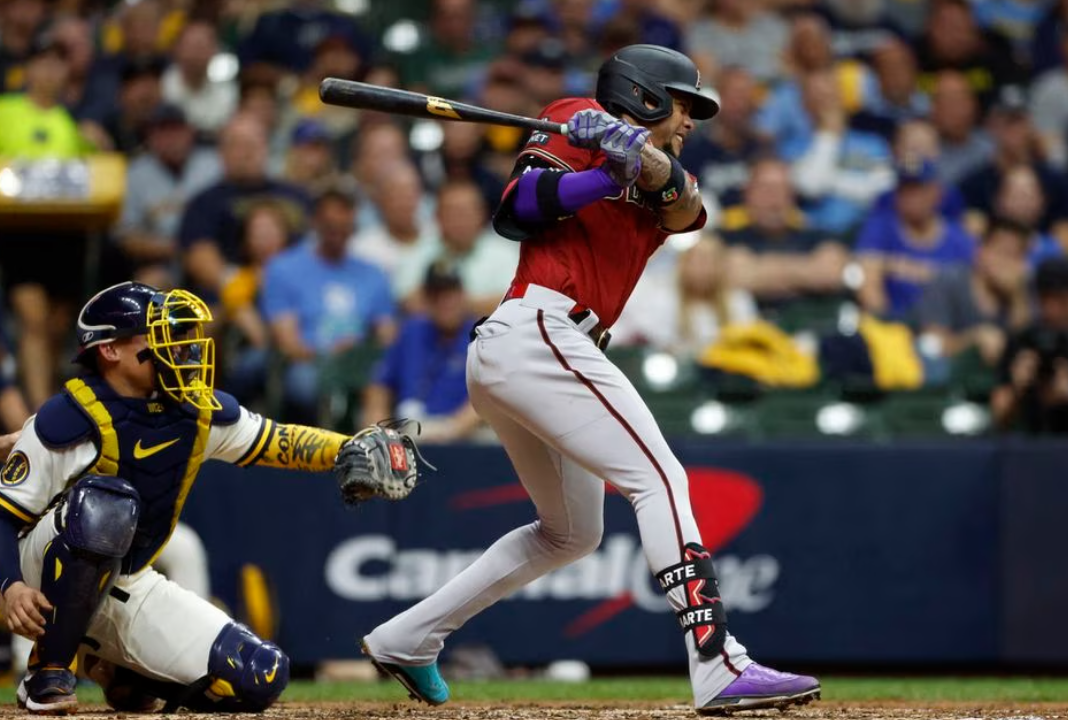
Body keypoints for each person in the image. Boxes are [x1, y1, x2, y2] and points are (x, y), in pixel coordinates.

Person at [361, 44, 821, 715]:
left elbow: (684, 208)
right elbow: (518, 209)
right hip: (538, 330)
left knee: (570, 534)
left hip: (536, 351)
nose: (690, 120)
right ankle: (718, 662)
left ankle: (407, 638)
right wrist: (601, 169)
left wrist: (632, 154)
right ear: (646, 95)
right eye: (683, 105)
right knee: (660, 478)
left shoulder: (664, 172)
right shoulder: (571, 116)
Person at [0, 281, 371, 713]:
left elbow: (277, 439)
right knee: (106, 503)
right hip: (31, 574)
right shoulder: (68, 415)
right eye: (158, 336)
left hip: (127, 579)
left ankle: (119, 672)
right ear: (110, 350)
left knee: (260, 674)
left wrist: (349, 449)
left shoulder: (195, 411)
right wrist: (10, 587)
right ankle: (48, 670)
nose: (177, 347)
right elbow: (4, 515)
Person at [362, 261, 483, 444]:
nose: (444, 302)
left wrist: (451, 429)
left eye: (450, 294)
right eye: (436, 296)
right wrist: (378, 431)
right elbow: (379, 386)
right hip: (408, 429)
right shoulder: (411, 330)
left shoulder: (480, 335)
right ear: (426, 299)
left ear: (462, 295)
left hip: (462, 434)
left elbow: (488, 398)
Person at [991, 257, 1068, 433]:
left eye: (1060, 299)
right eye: (1044, 298)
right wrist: (1017, 389)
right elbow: (998, 416)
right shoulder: (1025, 339)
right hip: (1029, 445)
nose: (1051, 308)